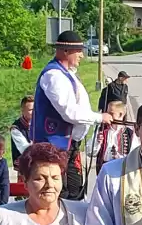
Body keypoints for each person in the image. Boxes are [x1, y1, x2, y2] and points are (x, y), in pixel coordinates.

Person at [32, 30, 112, 200]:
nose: (82, 55)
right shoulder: (53, 76)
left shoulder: (67, 75)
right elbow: (69, 112)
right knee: (60, 195)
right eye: (78, 51)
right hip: (53, 146)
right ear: (66, 51)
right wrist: (99, 117)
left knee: (74, 193)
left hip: (68, 147)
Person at [86, 100, 138, 174]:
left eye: (111, 113)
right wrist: (97, 142)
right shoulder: (101, 129)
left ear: (121, 114)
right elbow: (89, 152)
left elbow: (135, 157)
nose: (108, 116)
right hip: (103, 172)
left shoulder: (130, 133)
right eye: (107, 113)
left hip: (122, 173)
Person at [10, 96, 33, 170]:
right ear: (23, 110)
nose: (34, 112)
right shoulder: (15, 128)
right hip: (24, 166)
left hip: (38, 163)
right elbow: (24, 148)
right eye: (30, 110)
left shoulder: (39, 123)